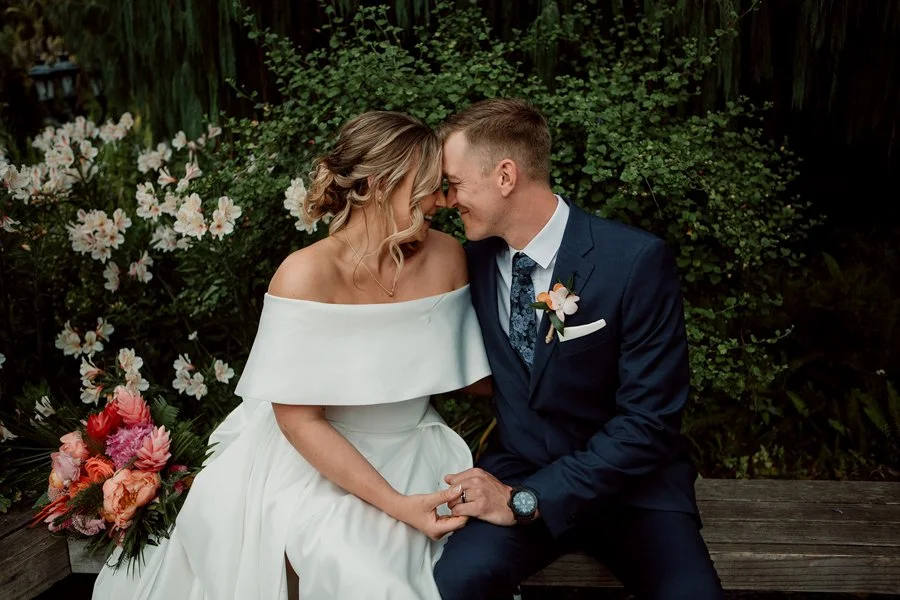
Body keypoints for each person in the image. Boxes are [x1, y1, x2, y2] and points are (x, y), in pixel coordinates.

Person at [91, 111, 491, 600]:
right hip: (310, 458)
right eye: (430, 186)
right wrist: (398, 505)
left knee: (459, 568)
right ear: (380, 184)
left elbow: (463, 372)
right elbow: (301, 422)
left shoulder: (448, 257)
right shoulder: (304, 277)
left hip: (420, 449)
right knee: (360, 573)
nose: (444, 201)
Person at [433, 98, 725, 600]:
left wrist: (528, 499)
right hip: (519, 468)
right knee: (453, 582)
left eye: (453, 184)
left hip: (634, 491)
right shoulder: (470, 262)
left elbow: (649, 422)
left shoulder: (634, 261)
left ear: (505, 175)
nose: (445, 201)